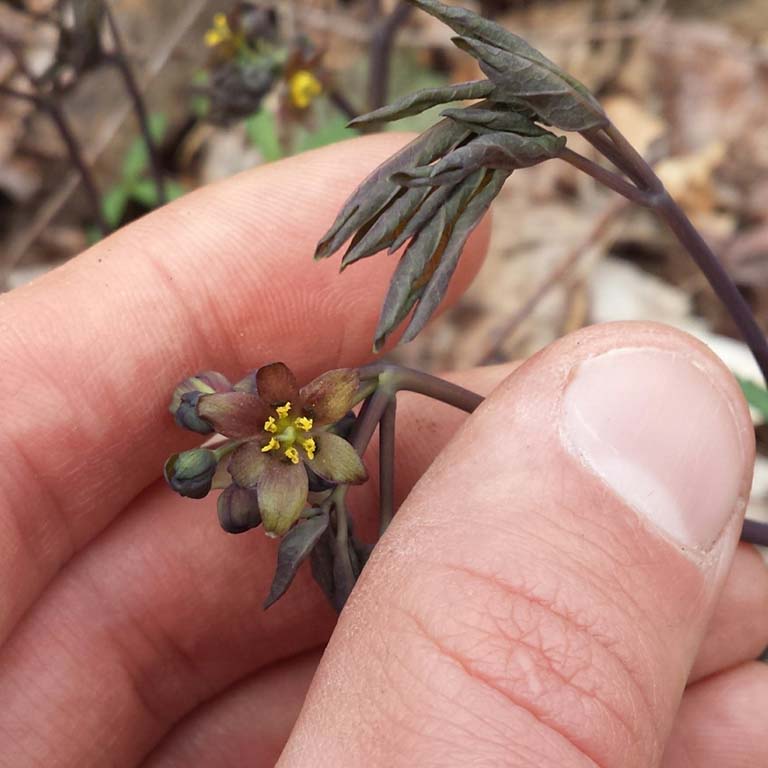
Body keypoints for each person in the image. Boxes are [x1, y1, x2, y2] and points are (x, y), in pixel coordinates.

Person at [0, 134, 766, 767]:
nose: (291, 434)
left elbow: (317, 430)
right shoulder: (282, 446)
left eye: (292, 429)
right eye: (286, 434)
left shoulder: (311, 427)